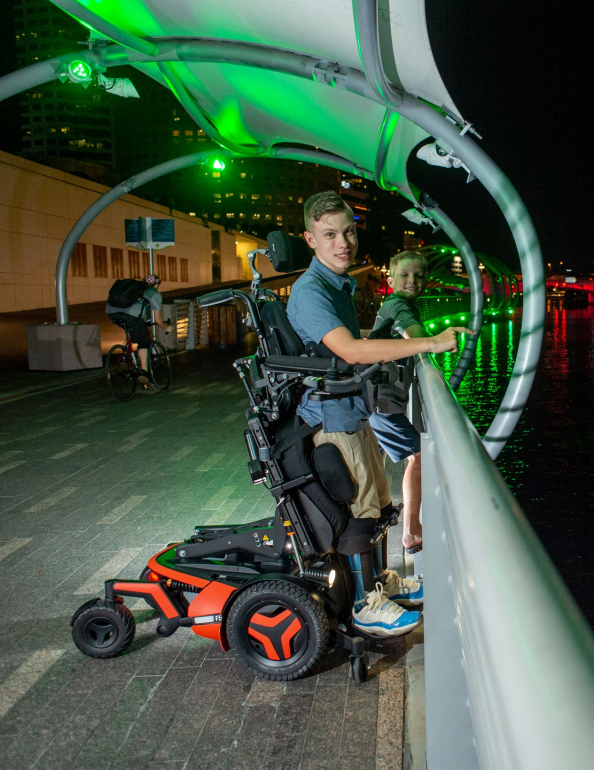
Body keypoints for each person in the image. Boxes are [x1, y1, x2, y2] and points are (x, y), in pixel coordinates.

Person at [287, 191, 473, 637]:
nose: (342, 243)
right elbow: (350, 350)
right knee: (359, 509)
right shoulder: (311, 291)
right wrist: (428, 344)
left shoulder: (338, 286)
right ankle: (365, 605)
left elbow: (354, 341)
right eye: (329, 234)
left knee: (377, 501)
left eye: (348, 231)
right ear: (310, 239)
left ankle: (376, 582)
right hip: (330, 416)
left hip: (351, 408)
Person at [369, 252, 429, 556]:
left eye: (418, 276)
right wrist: (433, 343)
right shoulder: (397, 305)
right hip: (381, 403)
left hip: (381, 400)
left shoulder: (400, 305)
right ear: (390, 281)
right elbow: (414, 334)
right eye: (404, 275)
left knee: (380, 464)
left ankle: (391, 526)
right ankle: (411, 533)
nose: (412, 281)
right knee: (419, 455)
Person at [106, 274, 172, 384]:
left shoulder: (135, 288)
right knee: (142, 341)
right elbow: (158, 319)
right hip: (130, 317)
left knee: (134, 330)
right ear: (156, 285)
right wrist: (166, 327)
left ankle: (126, 357)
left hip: (112, 314)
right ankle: (144, 372)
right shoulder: (154, 293)